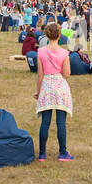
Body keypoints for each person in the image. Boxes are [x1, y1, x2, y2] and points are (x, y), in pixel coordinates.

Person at [33, 21, 73, 161]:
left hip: (47, 86)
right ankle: (63, 152)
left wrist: (38, 91)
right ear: (60, 35)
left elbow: (40, 74)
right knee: (61, 123)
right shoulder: (64, 53)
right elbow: (67, 73)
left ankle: (42, 153)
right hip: (60, 86)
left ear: (46, 34)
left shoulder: (41, 52)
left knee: (45, 122)